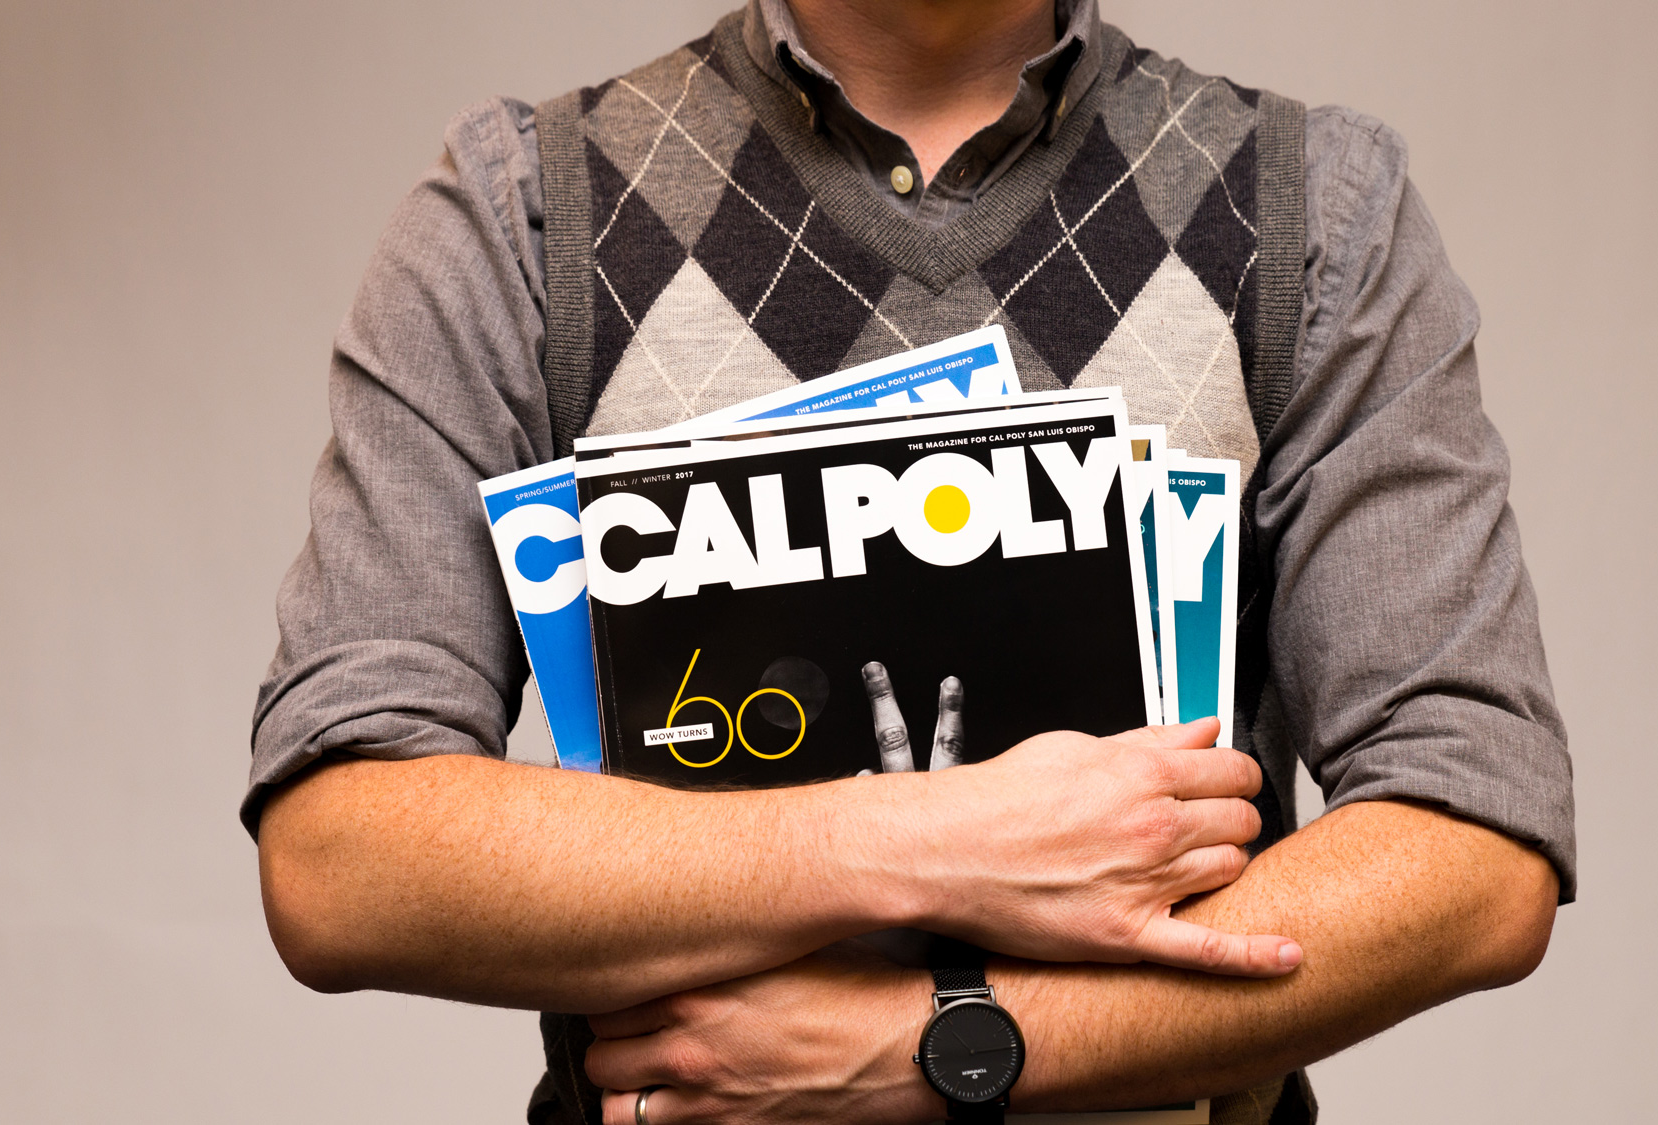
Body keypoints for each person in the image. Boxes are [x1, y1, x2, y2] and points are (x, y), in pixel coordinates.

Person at [247, 1, 1575, 1122]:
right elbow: (338, 854)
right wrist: (924, 841)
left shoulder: (1314, 215)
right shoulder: (521, 213)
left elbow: (1474, 844)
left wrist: (939, 1053)